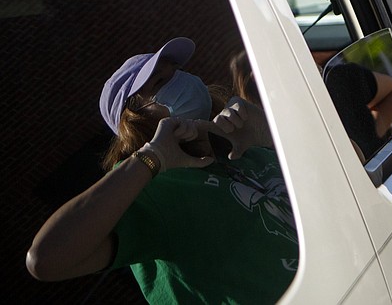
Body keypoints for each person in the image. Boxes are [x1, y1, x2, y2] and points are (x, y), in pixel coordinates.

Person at [26, 38, 298, 304]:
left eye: (176, 73)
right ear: (136, 122)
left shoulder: (245, 147)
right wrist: (151, 158)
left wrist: (274, 137)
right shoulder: (151, 186)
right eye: (160, 83)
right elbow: (46, 260)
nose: (182, 82)